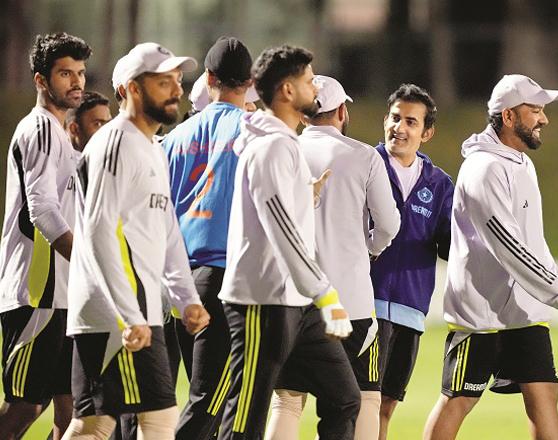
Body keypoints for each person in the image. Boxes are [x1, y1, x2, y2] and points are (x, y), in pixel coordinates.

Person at [422, 74, 558, 440]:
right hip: (482, 311)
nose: (543, 119)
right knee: (458, 399)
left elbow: (532, 242)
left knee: (545, 394)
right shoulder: (483, 169)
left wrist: (553, 293)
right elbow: (510, 249)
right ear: (507, 116)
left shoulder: (520, 163)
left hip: (523, 310)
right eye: (534, 110)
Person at [62, 42, 210, 439]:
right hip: (118, 316)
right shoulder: (116, 143)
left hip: (131, 312)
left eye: (177, 81)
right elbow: (97, 232)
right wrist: (129, 313)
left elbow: (166, 231)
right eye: (163, 82)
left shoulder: (150, 148)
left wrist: (186, 299)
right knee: (157, 416)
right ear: (133, 89)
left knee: (96, 424)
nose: (176, 90)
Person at [217, 45, 360, 440]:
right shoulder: (271, 147)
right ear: (286, 90)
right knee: (245, 419)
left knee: (345, 398)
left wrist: (305, 195)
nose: (315, 87)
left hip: (296, 301)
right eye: (309, 80)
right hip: (261, 302)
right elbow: (280, 229)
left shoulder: (285, 142)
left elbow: (280, 214)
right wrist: (326, 294)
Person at [266, 75, 400, 440]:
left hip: (295, 298)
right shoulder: (364, 156)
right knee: (354, 400)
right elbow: (389, 223)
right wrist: (371, 248)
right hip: (350, 300)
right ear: (342, 111)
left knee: (287, 402)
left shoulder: (284, 150)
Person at [160, 35, 253, 440]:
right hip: (222, 278)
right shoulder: (252, 131)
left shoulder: (174, 137)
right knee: (210, 399)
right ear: (250, 81)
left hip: (179, 279)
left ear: (210, 78)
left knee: (196, 397)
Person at [0, 32, 91, 440]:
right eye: (64, 74)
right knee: (25, 404)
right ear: (41, 81)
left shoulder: (60, 132)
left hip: (62, 294)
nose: (76, 82)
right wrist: (89, 263)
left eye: (80, 73)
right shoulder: (38, 128)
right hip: (35, 291)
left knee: (69, 409)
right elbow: (42, 210)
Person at [370, 83, 454, 440]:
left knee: (386, 405)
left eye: (410, 122)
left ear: (427, 132)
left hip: (410, 310)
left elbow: (451, 246)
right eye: (394, 118)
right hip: (365, 304)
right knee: (355, 402)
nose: (399, 128)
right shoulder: (365, 165)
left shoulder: (440, 184)